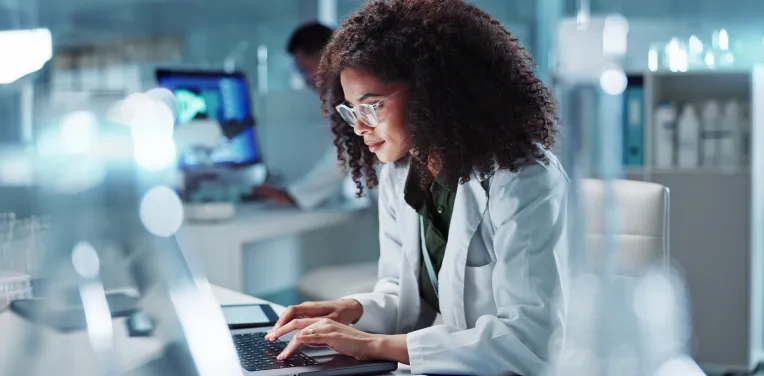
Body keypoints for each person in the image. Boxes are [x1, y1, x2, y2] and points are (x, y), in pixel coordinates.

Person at [264, 1, 569, 375]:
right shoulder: (401, 171)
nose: (359, 128)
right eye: (350, 110)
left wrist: (373, 345)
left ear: (433, 92)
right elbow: (403, 294)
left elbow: (528, 341)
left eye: (371, 105)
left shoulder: (521, 179)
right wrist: (351, 310)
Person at [253, 22, 349, 209]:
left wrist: (294, 195)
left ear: (325, 56)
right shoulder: (341, 92)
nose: (306, 81)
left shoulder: (349, 91)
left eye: (305, 70)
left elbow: (344, 154)